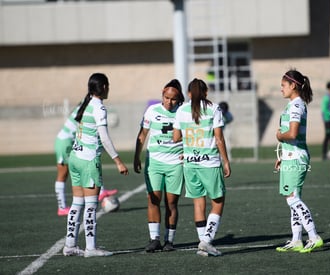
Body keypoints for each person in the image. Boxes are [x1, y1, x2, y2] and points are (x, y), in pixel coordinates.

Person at [63, 73, 128, 258]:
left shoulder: (86, 103)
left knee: (77, 203)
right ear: (105, 87)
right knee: (90, 206)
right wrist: (118, 161)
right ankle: (90, 248)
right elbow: (104, 138)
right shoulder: (99, 108)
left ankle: (70, 245)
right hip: (88, 161)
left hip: (75, 158)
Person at [173, 78, 231, 257]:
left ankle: (202, 243)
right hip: (210, 163)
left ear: (189, 93)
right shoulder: (214, 108)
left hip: (190, 163)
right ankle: (206, 241)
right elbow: (219, 138)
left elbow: (175, 137)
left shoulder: (181, 110)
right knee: (218, 201)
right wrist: (226, 161)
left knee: (198, 203)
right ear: (205, 92)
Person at [275, 69, 323, 253]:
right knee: (293, 198)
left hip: (296, 158)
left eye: (283, 85)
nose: (281, 89)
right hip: (290, 157)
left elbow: (292, 133)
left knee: (292, 199)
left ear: (293, 85)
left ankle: (313, 235)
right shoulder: (292, 105)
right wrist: (281, 156)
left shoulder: (297, 106)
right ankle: (296, 240)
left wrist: (279, 136)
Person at [133, 79, 185, 252]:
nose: (170, 102)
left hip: (176, 164)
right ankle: (154, 239)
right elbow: (142, 135)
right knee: (153, 200)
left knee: (171, 203)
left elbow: (191, 135)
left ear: (179, 99)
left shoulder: (184, 113)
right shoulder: (152, 111)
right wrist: (136, 157)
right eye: (167, 97)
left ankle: (169, 240)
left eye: (174, 99)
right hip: (154, 162)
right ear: (162, 94)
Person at [54, 108, 119, 217]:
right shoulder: (88, 108)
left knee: (89, 164)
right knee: (63, 174)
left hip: (72, 142)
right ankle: (61, 208)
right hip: (65, 142)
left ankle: (101, 191)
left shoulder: (88, 107)